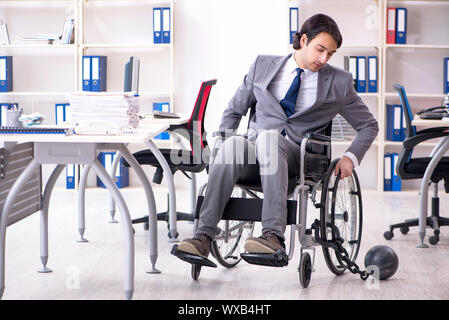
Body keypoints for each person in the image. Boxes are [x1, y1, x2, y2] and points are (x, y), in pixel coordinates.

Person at [176, 13, 378, 259]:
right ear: (303, 40)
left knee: (269, 139)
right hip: (254, 153)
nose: (324, 59)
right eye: (320, 49)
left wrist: (350, 157)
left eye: (331, 54)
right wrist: (219, 145)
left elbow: (369, 125)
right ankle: (203, 237)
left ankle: (272, 236)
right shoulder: (263, 65)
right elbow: (233, 111)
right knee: (233, 145)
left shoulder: (339, 82)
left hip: (298, 157)